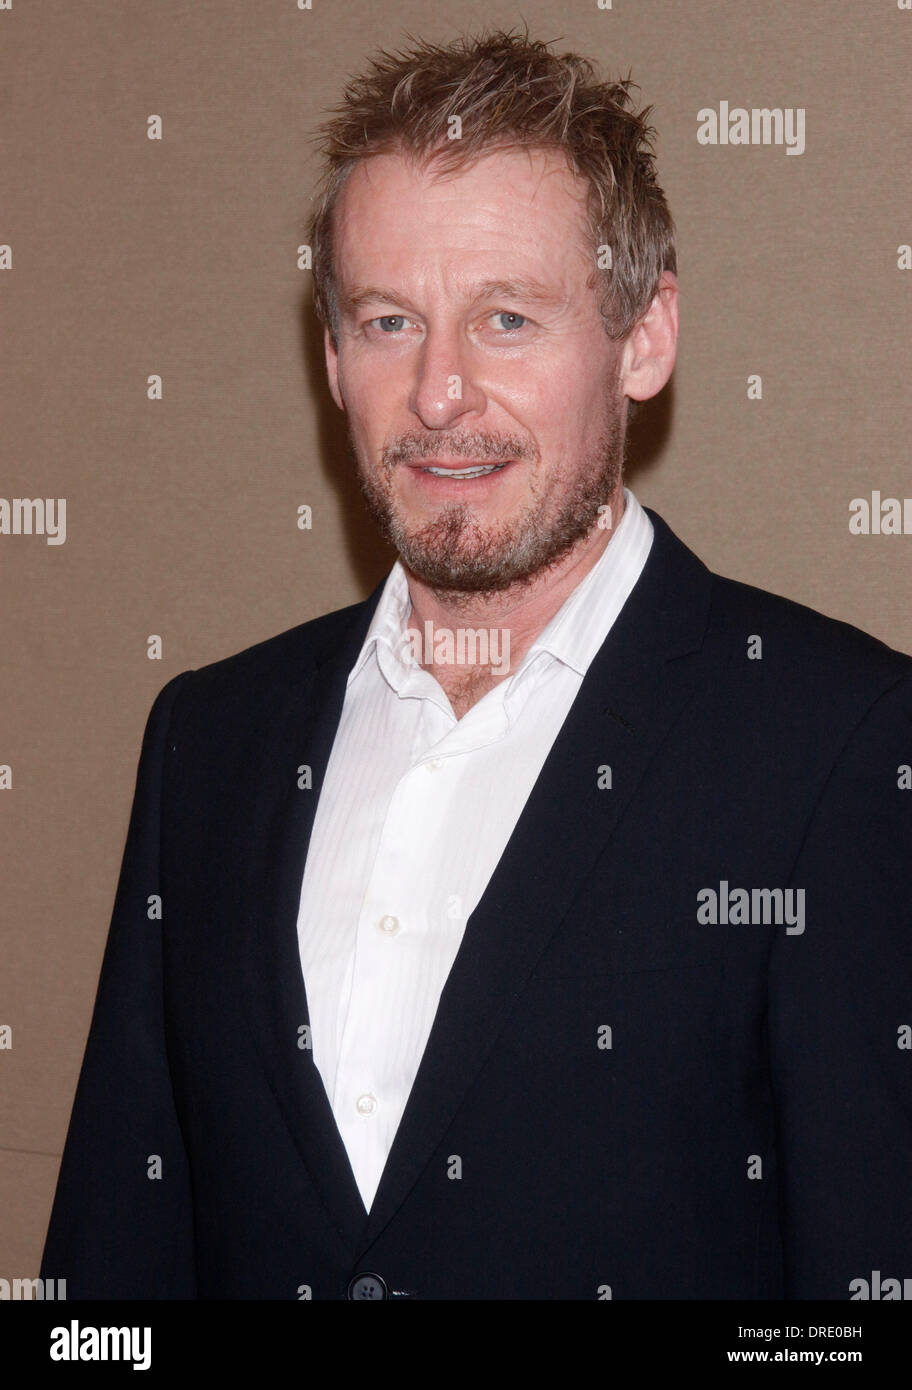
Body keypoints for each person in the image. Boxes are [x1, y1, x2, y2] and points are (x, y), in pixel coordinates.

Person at [42, 28, 912, 1300]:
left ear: (645, 335)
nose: (441, 392)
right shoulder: (207, 741)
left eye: (507, 316)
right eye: (389, 319)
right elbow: (113, 1279)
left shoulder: (840, 744)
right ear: (331, 356)